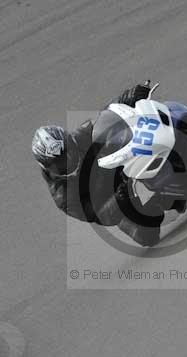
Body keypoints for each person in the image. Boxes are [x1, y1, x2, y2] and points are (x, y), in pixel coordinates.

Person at [31, 83, 164, 247]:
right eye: (59, 163)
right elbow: (97, 215)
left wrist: (126, 98)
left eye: (67, 152)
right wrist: (118, 200)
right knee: (147, 236)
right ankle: (163, 200)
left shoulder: (79, 137)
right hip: (110, 196)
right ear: (47, 167)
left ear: (69, 140)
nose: (68, 160)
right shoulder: (64, 197)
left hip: (117, 163)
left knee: (136, 129)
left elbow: (105, 117)